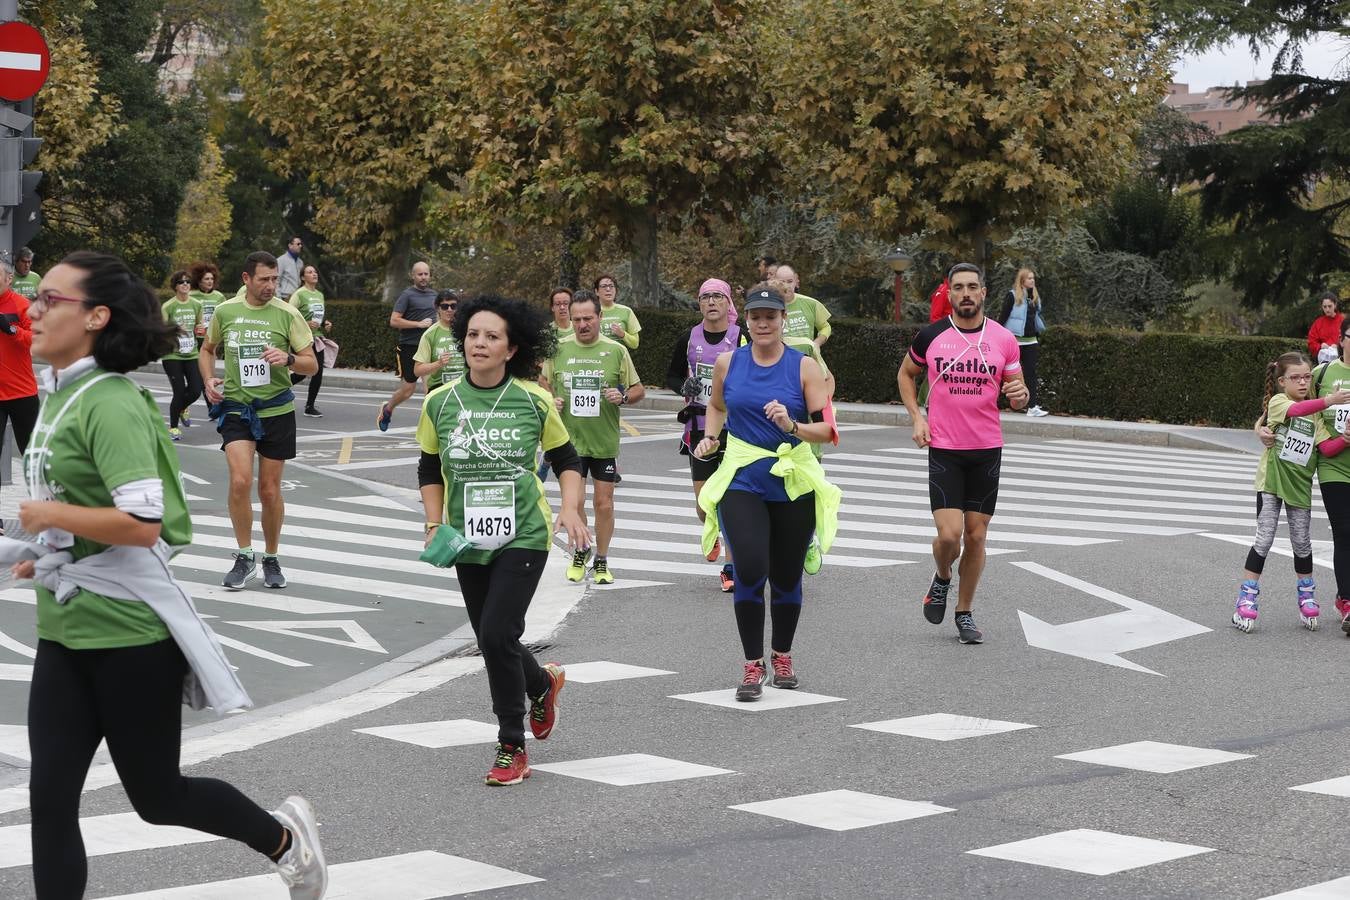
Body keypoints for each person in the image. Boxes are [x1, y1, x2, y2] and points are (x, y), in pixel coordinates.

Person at [15, 250, 326, 900]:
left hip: (129, 637)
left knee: (158, 797)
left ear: (97, 317)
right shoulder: (60, 395)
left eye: (50, 299)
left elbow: (142, 520)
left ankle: (284, 841)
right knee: (48, 799)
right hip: (64, 630)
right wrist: (49, 546)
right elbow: (81, 516)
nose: (34, 309)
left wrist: (49, 513)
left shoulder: (111, 402)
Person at [416, 294, 590, 786]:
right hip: (466, 538)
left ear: (512, 348)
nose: (479, 343)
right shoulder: (439, 402)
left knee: (496, 635)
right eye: (473, 334)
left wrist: (571, 508)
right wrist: (433, 523)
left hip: (524, 534)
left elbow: (567, 460)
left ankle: (511, 746)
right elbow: (429, 468)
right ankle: (541, 682)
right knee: (494, 639)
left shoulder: (533, 399)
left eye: (492, 336)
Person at [693, 285, 840, 701]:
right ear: (747, 320)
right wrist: (711, 437)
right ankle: (752, 665)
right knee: (751, 568)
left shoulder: (804, 367)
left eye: (770, 316)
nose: (762, 323)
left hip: (792, 480)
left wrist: (792, 426)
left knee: (787, 577)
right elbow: (717, 406)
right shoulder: (727, 362)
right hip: (742, 478)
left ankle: (782, 655)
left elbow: (828, 431)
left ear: (781, 319)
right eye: (756, 316)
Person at [897, 262, 1029, 645]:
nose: (967, 293)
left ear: (984, 293)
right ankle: (941, 576)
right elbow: (907, 374)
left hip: (987, 449)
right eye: (959, 288)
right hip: (945, 449)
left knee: (976, 536)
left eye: (973, 286)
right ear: (950, 294)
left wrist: (1020, 397)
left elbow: (1017, 391)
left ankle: (965, 612)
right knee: (949, 536)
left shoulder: (1004, 339)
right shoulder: (931, 336)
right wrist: (916, 417)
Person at [199, 252, 318, 591]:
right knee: (239, 481)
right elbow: (207, 349)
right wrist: (208, 380)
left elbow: (312, 365)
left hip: (277, 410)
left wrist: (290, 358)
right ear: (246, 279)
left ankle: (271, 556)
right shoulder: (226, 312)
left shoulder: (287, 314)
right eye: (264, 279)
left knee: (268, 490)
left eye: (275, 279)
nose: (270, 286)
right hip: (237, 408)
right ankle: (243, 554)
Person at [1236, 351, 1349, 633]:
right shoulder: (1278, 402)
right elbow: (1295, 411)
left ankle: (1306, 595)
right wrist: (1328, 400)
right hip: (1272, 483)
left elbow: (1326, 448)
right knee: (1264, 538)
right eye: (1295, 378)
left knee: (1302, 542)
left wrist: (1346, 439)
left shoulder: (1317, 418)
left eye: (1307, 377)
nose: (1302, 382)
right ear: (1281, 382)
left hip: (1299, 486)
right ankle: (1246, 598)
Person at [543, 292, 644, 584]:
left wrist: (622, 395)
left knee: (604, 504)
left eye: (588, 318)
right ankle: (581, 550)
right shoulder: (558, 349)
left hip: (603, 440)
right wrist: (551, 399)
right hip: (569, 443)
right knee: (574, 503)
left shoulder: (616, 351)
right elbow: (543, 381)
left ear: (600, 318)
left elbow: (638, 390)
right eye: (577, 319)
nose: (582, 324)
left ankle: (601, 559)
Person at [665, 278, 743, 592]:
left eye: (717, 297)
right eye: (705, 297)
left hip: (735, 429)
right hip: (697, 428)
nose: (711, 302)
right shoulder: (689, 337)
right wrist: (683, 387)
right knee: (703, 505)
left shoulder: (742, 336)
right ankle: (713, 530)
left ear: (727, 303)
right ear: (699, 304)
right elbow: (671, 374)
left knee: (731, 500)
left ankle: (730, 567)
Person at [377, 261, 437, 431]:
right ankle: (388, 408)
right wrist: (418, 324)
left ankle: (432, 429)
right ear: (413, 276)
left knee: (430, 391)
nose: (424, 277)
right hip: (410, 347)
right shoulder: (407, 295)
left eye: (426, 274)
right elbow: (394, 320)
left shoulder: (434, 295)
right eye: (420, 274)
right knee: (407, 390)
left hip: (429, 348)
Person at [0, 258, 37, 484]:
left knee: (33, 457)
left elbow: (40, 339)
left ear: (9, 278)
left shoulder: (22, 305)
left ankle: (43, 511)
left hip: (22, 393)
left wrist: (12, 330)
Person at [997, 268, 1048, 417]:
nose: (1032, 281)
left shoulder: (1034, 297)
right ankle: (994, 402)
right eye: (1029, 278)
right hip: (1014, 341)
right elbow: (1003, 316)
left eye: (1033, 278)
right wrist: (996, 335)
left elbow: (1036, 317)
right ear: (1022, 281)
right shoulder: (1012, 296)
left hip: (1031, 340)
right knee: (1003, 373)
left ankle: (1032, 406)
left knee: (1031, 373)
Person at [161, 270, 204, 441]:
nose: (185, 284)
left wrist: (200, 331)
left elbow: (199, 328)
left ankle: (182, 408)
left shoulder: (196, 304)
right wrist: (176, 330)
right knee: (178, 392)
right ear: (175, 286)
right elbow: (162, 331)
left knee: (195, 390)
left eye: (187, 282)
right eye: (181, 282)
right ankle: (173, 428)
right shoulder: (168, 306)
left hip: (191, 353)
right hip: (172, 355)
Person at [288, 265, 331, 418]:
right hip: (302, 338)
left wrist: (325, 323)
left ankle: (309, 406)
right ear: (302, 277)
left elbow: (318, 316)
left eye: (315, 271)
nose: (314, 274)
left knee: (317, 372)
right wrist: (305, 324)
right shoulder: (299, 294)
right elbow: (289, 315)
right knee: (301, 373)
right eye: (310, 272)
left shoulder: (319, 294)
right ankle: (278, 388)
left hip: (317, 338)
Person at [413, 289, 465, 391]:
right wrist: (439, 363)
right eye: (445, 306)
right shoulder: (430, 334)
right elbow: (417, 370)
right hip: (439, 389)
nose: (449, 310)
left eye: (453, 306)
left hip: (464, 388)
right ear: (438, 308)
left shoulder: (467, 330)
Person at [774, 265, 831, 348]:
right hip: (781, 358)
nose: (786, 286)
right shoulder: (769, 307)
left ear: (796, 282)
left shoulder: (811, 303)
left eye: (790, 281)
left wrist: (817, 343)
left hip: (807, 358)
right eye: (782, 282)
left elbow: (825, 327)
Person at [595, 273, 641, 350]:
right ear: (596, 291)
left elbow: (635, 344)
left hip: (619, 359)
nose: (608, 289)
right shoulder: (590, 311)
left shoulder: (626, 311)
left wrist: (623, 334)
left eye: (611, 286)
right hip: (596, 358)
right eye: (604, 286)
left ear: (616, 290)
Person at [188, 261, 227, 341]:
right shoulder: (190, 295)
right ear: (199, 281)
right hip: (195, 337)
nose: (210, 281)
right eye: (207, 279)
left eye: (212, 279)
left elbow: (225, 316)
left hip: (213, 338)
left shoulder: (219, 296)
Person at [1307, 291, 1343, 365]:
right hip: (1323, 362)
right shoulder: (1318, 323)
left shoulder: (1343, 321)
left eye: (1330, 306)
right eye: (1325, 307)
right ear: (1322, 307)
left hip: (1342, 360)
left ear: (1335, 305)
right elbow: (1311, 342)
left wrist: (1339, 346)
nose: (1327, 309)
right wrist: (1320, 346)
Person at [276, 236, 303, 302]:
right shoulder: (281, 260)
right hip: (285, 297)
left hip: (298, 297)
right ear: (290, 245)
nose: (300, 246)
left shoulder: (300, 262)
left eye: (301, 244)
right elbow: (276, 280)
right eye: (298, 244)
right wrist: (279, 299)